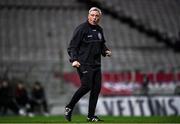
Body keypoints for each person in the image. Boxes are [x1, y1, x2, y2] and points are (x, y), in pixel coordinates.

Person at [65, 7, 111, 122]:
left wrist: (105, 51)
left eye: (97, 16)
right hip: (83, 63)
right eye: (92, 15)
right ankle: (69, 107)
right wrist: (74, 60)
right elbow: (72, 47)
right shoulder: (81, 29)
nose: (94, 18)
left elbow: (101, 45)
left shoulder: (100, 30)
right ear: (88, 15)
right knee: (87, 86)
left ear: (99, 17)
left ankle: (90, 116)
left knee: (96, 89)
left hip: (96, 64)